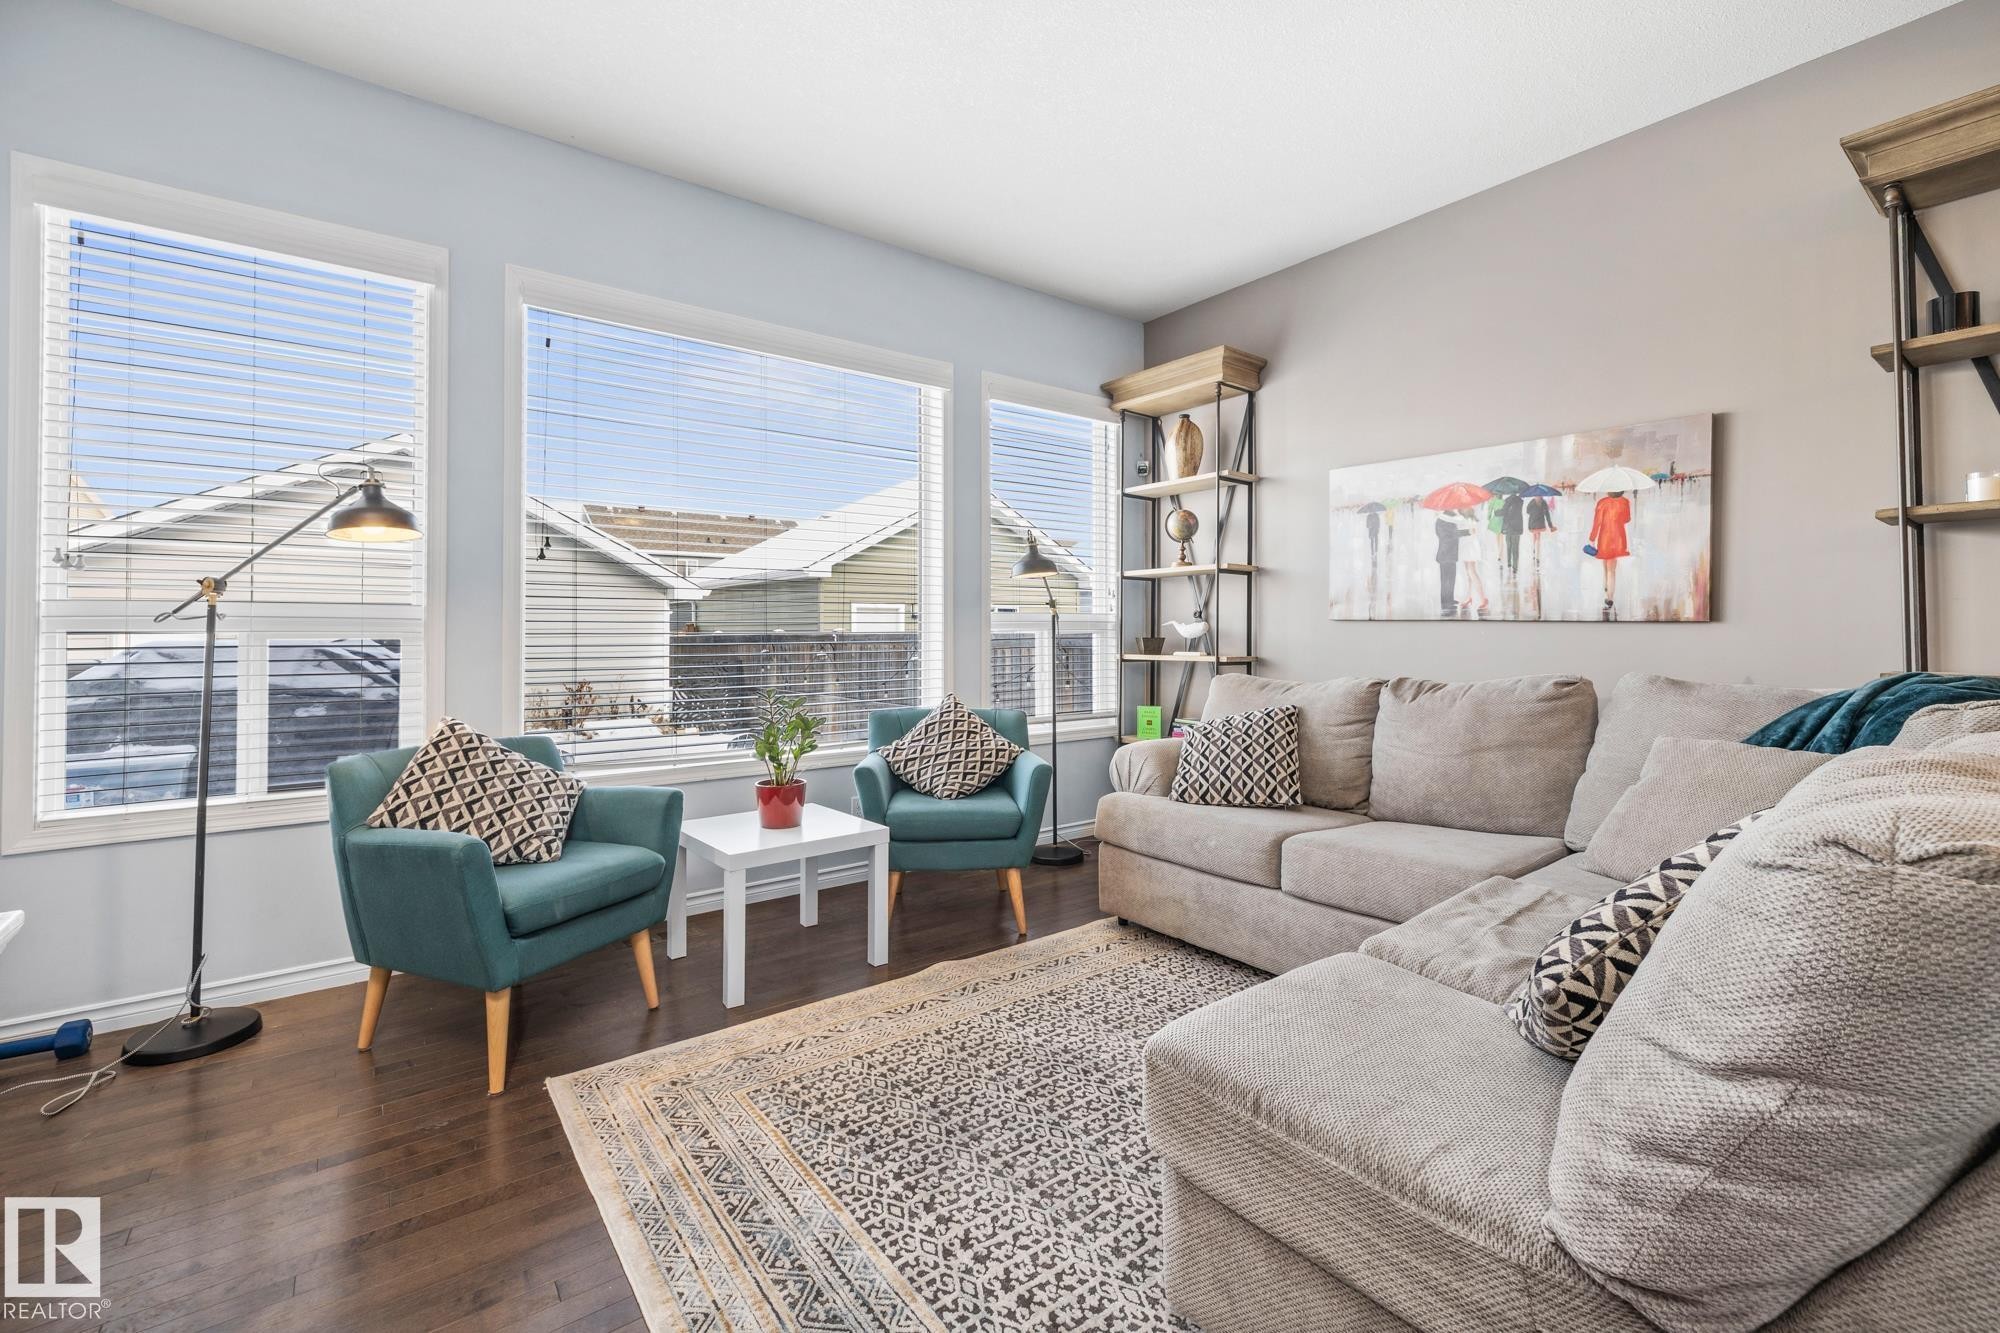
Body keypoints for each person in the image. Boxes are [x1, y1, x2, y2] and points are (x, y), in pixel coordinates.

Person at [1588, 490, 1633, 616]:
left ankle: (1607, 589)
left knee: (1606, 564)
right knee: (1612, 569)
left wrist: (1592, 538)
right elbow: (1627, 519)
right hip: (1618, 537)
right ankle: (1610, 597)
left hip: (1605, 537)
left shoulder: (1602, 503)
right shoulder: (1625, 502)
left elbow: (1597, 523)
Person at [1454, 508, 1488, 613]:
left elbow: (1467, 532)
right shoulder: (1469, 518)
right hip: (1467, 547)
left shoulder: (1466, 519)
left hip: (1469, 547)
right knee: (1469, 574)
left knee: (1471, 572)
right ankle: (1469, 597)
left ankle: (1483, 599)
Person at [1433, 512, 1461, 616]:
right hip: (1445, 555)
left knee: (1451, 579)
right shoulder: (1441, 522)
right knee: (1445, 580)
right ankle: (1445, 602)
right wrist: (1462, 533)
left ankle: (1450, 599)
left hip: (1452, 555)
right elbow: (1446, 536)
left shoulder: (1450, 521)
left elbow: (1454, 534)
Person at [1498, 492, 1525, 576]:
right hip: (1517, 527)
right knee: (1515, 547)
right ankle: (1515, 567)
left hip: (1509, 527)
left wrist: (1496, 512)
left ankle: (1509, 563)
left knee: (1509, 545)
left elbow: (1503, 512)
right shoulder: (1520, 501)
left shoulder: (1507, 500)